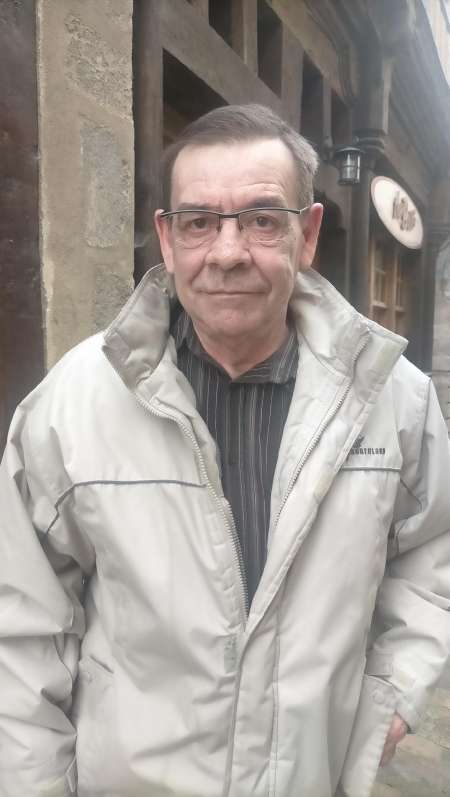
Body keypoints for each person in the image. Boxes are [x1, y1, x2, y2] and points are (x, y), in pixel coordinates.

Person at [0, 104, 449, 797]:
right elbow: (21, 625)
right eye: (199, 222)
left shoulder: (396, 400)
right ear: (167, 238)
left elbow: (432, 550)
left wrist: (397, 683)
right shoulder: (73, 404)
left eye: (262, 219)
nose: (228, 251)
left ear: (307, 235)